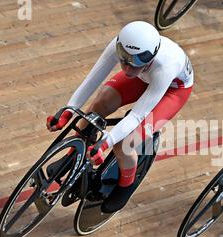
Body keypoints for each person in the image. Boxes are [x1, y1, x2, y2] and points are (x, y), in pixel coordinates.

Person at [46, 21, 194, 213]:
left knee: (124, 144)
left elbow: (137, 115)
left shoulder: (166, 65)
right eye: (125, 61)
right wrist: (68, 111)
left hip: (173, 91)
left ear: (152, 56)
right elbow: (91, 82)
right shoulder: (118, 47)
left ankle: (126, 186)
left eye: (137, 63)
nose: (128, 69)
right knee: (98, 106)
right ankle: (72, 157)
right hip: (144, 78)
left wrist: (105, 143)